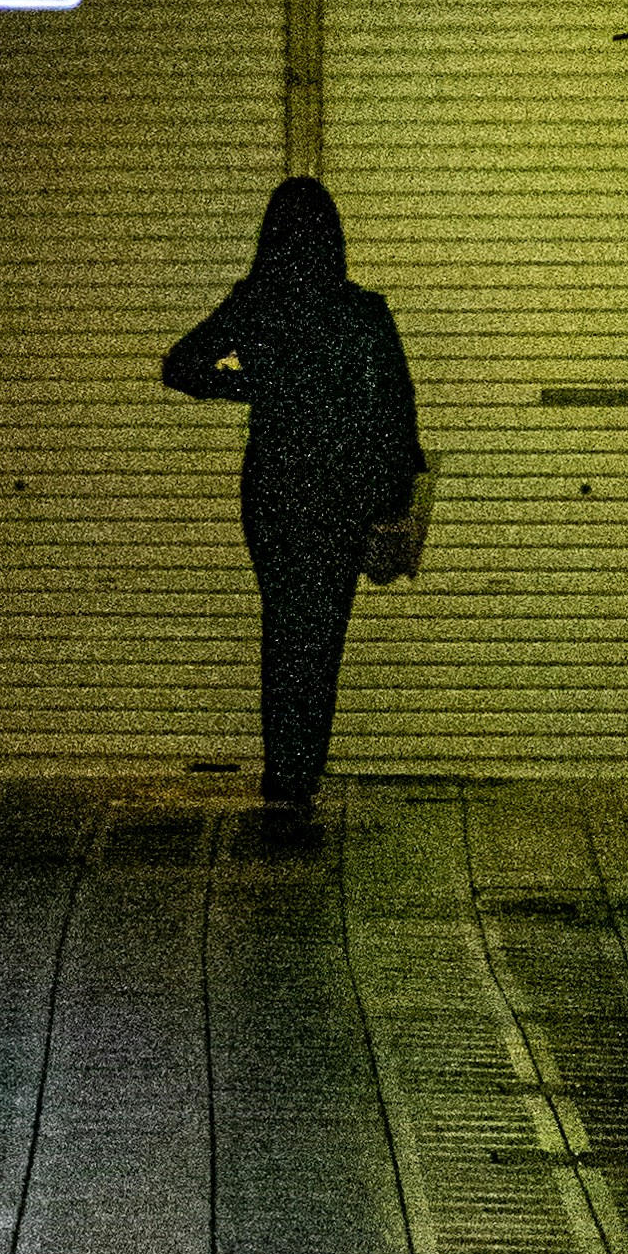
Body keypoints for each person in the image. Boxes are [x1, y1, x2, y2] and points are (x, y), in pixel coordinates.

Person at [162, 177, 422, 826]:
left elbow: (181, 364)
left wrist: (252, 387)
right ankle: (305, 770)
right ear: (334, 238)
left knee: (282, 625)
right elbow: (396, 407)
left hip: (274, 486)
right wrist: (396, 492)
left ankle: (282, 768)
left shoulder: (256, 304)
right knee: (323, 631)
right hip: (339, 489)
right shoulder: (361, 312)